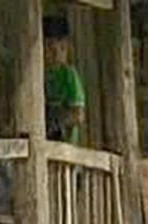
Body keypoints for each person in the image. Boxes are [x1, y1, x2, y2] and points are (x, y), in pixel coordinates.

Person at [44, 15, 87, 145]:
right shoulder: (42, 76)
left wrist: (55, 123)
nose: (48, 53)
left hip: (64, 144)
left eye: (52, 47)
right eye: (46, 47)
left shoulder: (69, 75)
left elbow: (78, 115)